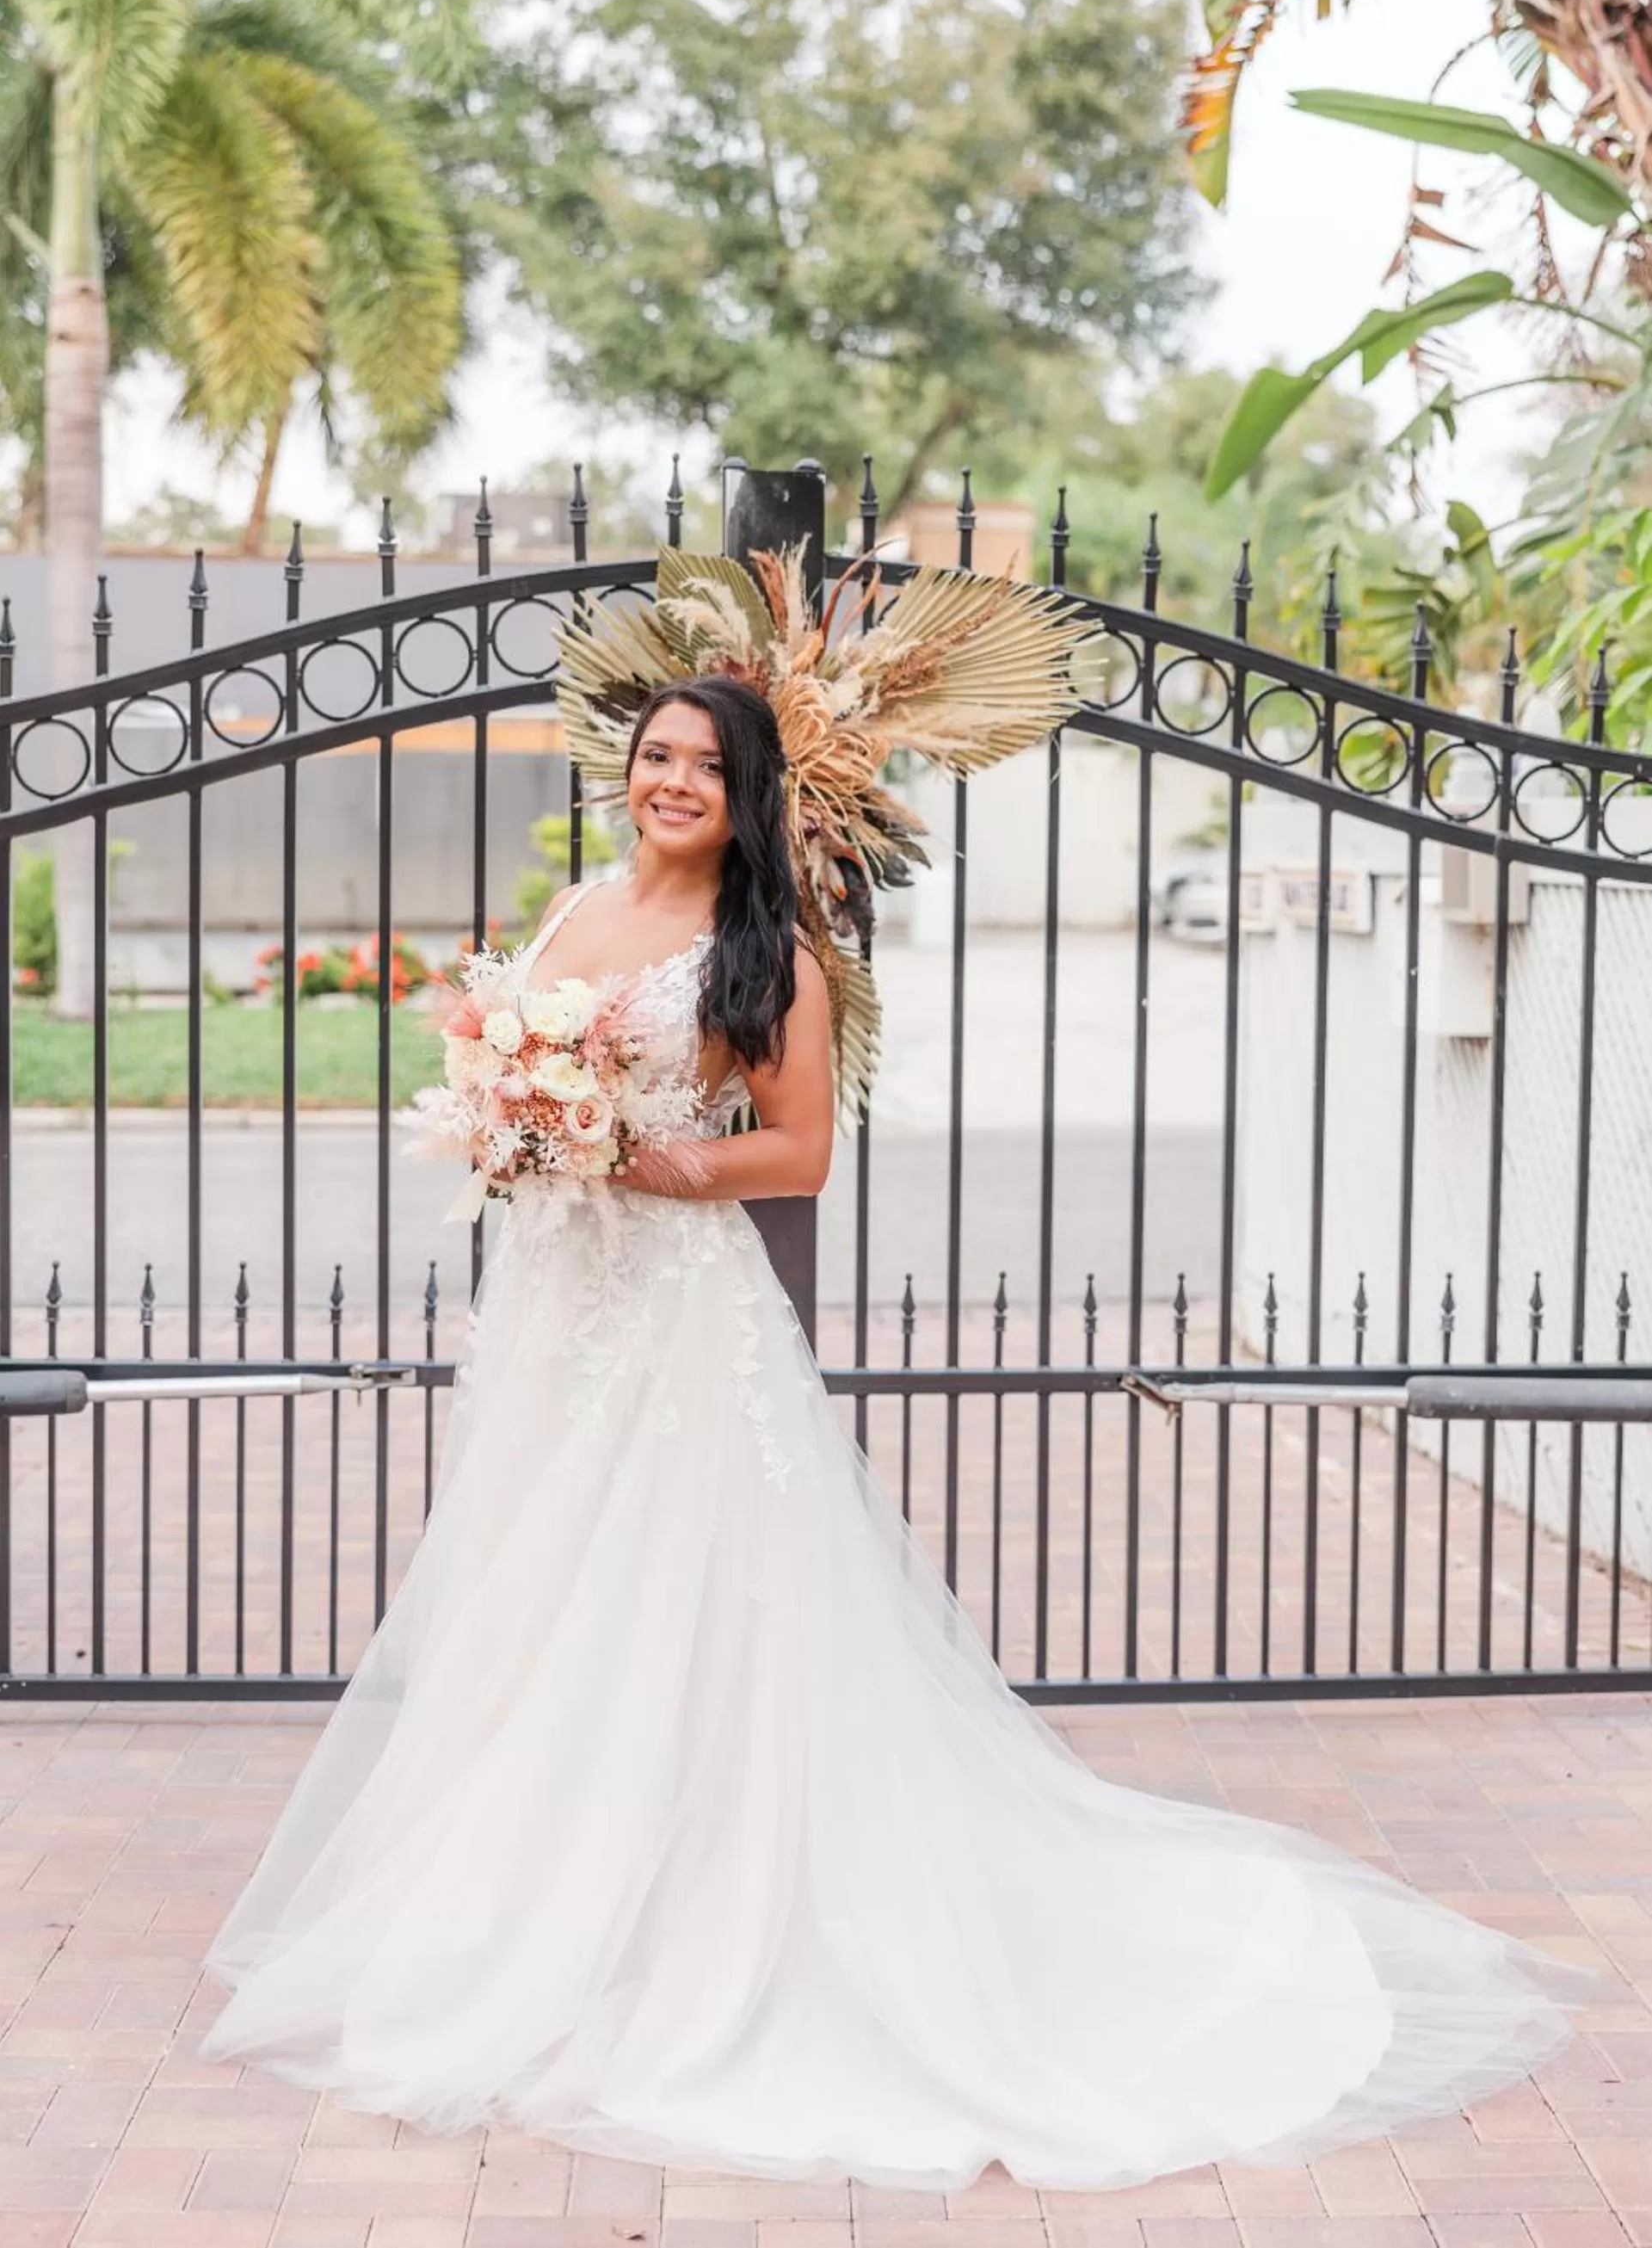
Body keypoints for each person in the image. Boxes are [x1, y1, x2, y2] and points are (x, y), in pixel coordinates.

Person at [197, 672, 1600, 2189]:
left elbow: (794, 1154)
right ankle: (530, 1913)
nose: (673, 782)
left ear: (749, 796)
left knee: (686, 1599)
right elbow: (515, 1090)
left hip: (677, 1318)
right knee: (538, 1601)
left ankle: (698, 1929)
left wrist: (625, 1151)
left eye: (705, 766)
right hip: (554, 1309)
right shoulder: (570, 912)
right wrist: (511, 1117)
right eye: (656, 757)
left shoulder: (771, 954)